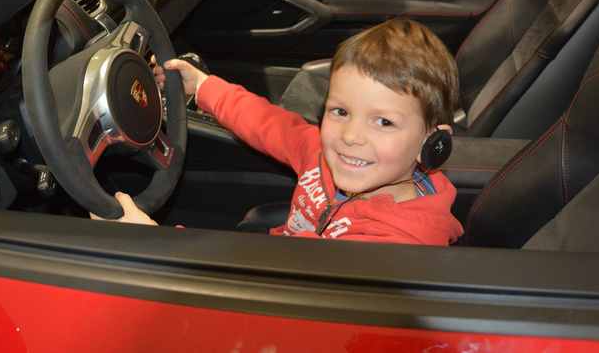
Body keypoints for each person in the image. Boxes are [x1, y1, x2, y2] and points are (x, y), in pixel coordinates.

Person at [96, 17, 463, 246]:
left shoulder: (394, 245)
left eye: (383, 122)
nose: (351, 136)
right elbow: (269, 124)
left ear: (433, 141)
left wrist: (151, 245)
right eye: (340, 111)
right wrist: (203, 87)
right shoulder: (328, 155)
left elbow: (267, 283)